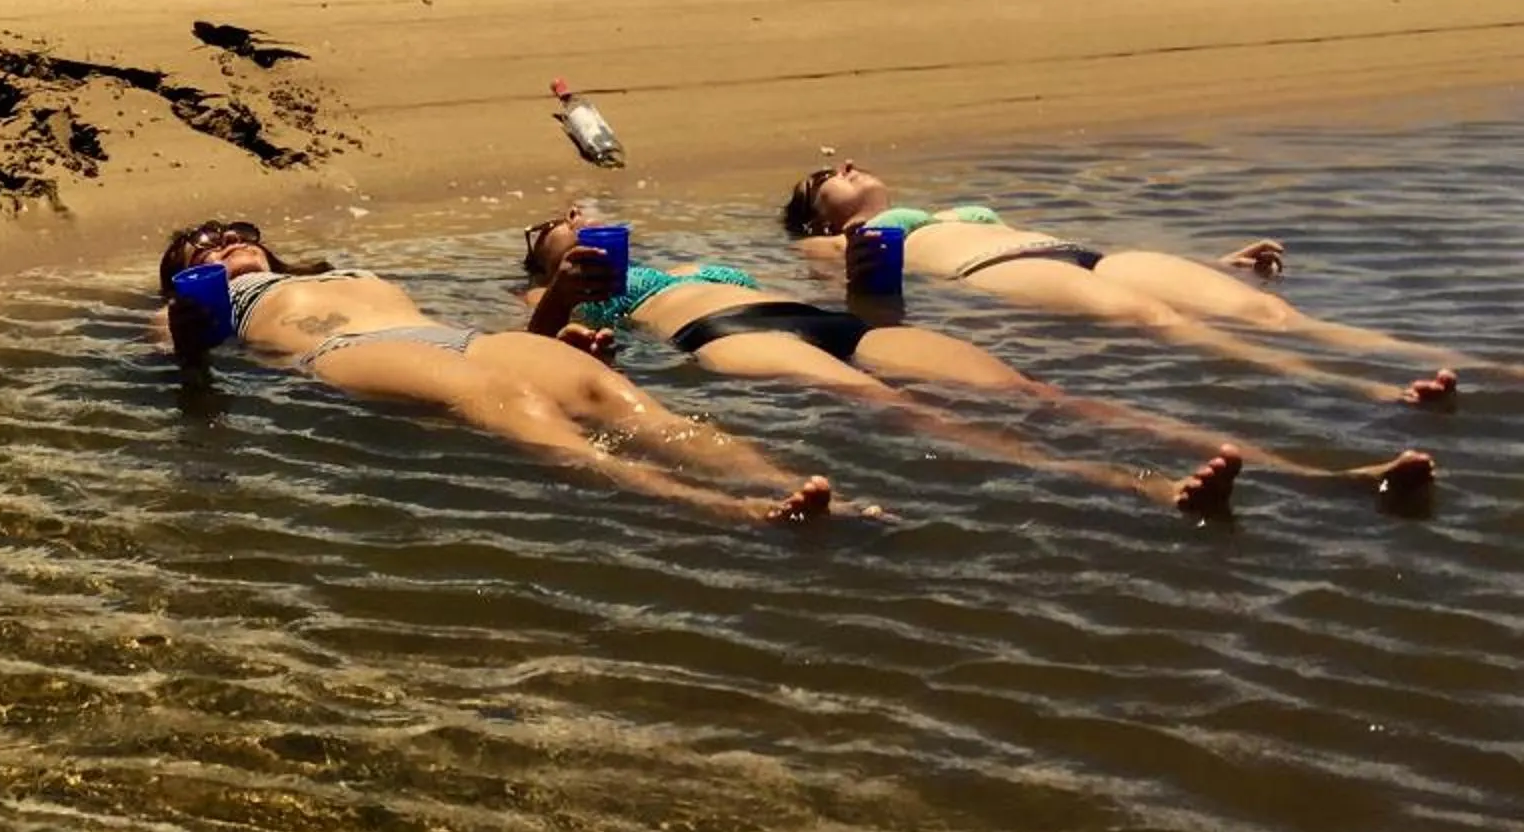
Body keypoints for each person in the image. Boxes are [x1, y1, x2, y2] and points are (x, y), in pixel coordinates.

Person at [514, 206, 1437, 513]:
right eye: (555, 233)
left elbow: (871, 297)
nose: (574, 229)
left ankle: (1333, 475)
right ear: (544, 257)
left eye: (577, 222)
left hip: (816, 315)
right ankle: (1149, 489)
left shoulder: (702, 258)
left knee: (1031, 389)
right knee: (917, 416)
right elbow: (532, 356)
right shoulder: (552, 291)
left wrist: (874, 283)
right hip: (726, 342)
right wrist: (567, 298)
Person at [153, 217, 845, 523]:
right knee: (514, 406)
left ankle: (788, 484)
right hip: (346, 352)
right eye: (201, 246)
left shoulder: (342, 270)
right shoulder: (185, 308)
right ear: (180, 277)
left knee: (623, 401)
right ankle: (726, 509)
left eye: (237, 232)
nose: (226, 243)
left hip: (455, 335)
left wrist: (565, 298)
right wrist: (188, 344)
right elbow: (192, 387)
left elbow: (527, 335)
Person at [780, 162, 1462, 408]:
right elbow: (853, 285)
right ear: (819, 215)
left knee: (1271, 311)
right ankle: (1366, 389)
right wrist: (863, 281)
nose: (844, 164)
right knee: (1162, 322)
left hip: (1083, 253)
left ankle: (1489, 367)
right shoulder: (833, 239)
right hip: (1006, 272)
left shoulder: (951, 209)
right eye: (826, 179)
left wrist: (1216, 261)